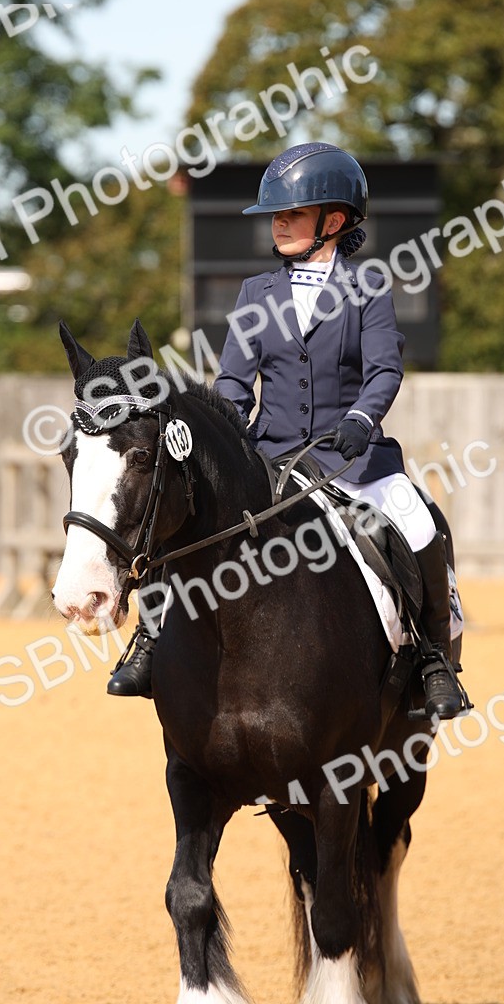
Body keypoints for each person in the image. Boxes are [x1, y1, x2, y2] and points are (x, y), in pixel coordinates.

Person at [108, 142, 464, 720]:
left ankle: (432, 661)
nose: (278, 223)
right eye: (276, 215)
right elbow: (232, 384)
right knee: (189, 524)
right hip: (270, 454)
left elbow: (384, 370)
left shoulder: (368, 287)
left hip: (353, 457)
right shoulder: (256, 294)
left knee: (418, 522)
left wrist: (360, 420)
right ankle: (151, 638)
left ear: (335, 220)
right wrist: (217, 442)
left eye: (292, 213)